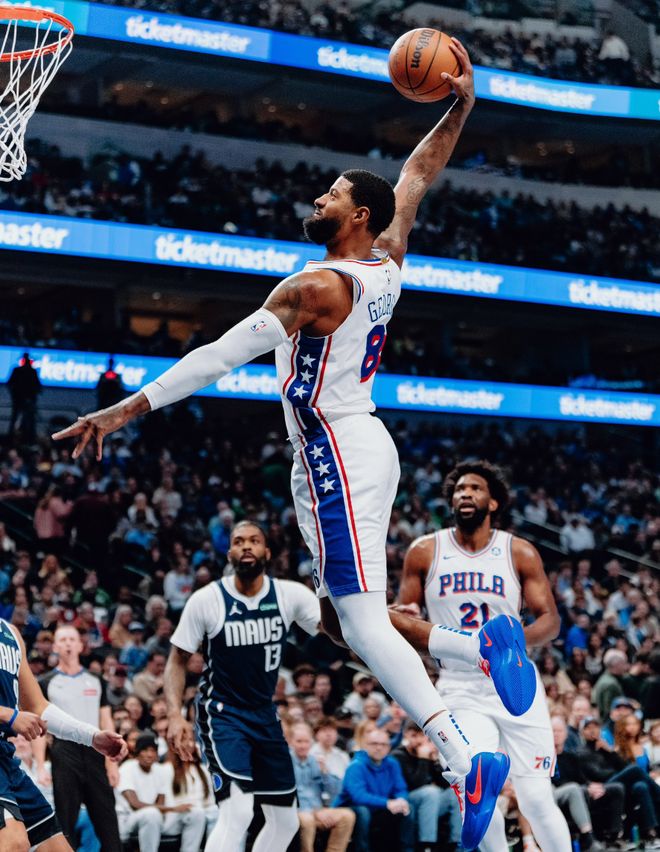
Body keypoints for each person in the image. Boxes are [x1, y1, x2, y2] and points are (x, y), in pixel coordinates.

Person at [52, 44, 530, 848]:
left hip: (334, 451)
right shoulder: (388, 257)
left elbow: (218, 356)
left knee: (361, 622)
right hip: (360, 442)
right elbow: (416, 175)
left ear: (359, 216)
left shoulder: (314, 288)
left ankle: (462, 751)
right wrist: (460, 107)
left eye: (333, 193)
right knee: (343, 621)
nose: (319, 197)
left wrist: (125, 410)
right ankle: (473, 647)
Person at [395, 460, 571, 851]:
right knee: (476, 787)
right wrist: (402, 614)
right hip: (459, 685)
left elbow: (550, 621)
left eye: (475, 488)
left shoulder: (518, 551)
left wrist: (513, 643)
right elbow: (405, 619)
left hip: (514, 679)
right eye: (459, 489)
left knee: (536, 796)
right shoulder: (424, 551)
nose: (465, 493)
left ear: (493, 503)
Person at [166, 521, 320, 852]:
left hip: (264, 713)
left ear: (268, 552)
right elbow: (177, 661)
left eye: (254, 540)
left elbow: (333, 629)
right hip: (223, 713)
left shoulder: (289, 594)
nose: (246, 546)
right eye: (238, 541)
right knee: (237, 812)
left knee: (286, 821)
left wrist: (377, 617)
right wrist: (175, 715)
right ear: (229, 553)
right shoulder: (207, 599)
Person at [0, 614, 126, 851]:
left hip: (6, 758)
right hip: (58, 755)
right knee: (14, 842)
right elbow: (20, 715)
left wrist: (91, 736)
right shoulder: (51, 678)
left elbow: (38, 706)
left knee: (59, 848)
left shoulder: (11, 634)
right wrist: (7, 714)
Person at [35, 625, 122, 851]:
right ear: (55, 646)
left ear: (81, 645)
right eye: (62, 640)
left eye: (72, 639)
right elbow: (39, 725)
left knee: (107, 818)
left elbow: (106, 720)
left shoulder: (96, 679)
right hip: (64, 752)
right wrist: (40, 766)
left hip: (96, 749)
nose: (68, 644)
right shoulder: (46, 682)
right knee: (66, 819)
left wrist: (112, 763)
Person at [116, 732, 206, 852]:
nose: (149, 754)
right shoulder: (127, 768)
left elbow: (161, 803)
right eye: (145, 750)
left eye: (153, 750)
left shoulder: (160, 770)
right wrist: (173, 809)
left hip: (156, 819)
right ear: (137, 752)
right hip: (129, 820)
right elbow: (135, 804)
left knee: (196, 813)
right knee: (151, 814)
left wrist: (170, 811)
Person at [335, 726, 410, 852]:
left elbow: (400, 788)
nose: (379, 747)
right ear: (365, 745)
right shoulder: (355, 766)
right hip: (353, 808)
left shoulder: (392, 763)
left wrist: (401, 800)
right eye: (374, 743)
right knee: (363, 811)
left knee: (406, 808)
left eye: (383, 744)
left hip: (379, 808)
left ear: (389, 747)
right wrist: (388, 803)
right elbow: (358, 796)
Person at [391, 720, 462, 852]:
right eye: (414, 736)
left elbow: (445, 784)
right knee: (431, 792)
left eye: (421, 736)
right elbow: (415, 784)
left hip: (429, 803)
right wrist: (423, 759)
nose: (418, 740)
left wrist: (434, 760)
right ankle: (427, 845)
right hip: (408, 800)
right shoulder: (398, 755)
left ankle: (456, 843)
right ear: (406, 735)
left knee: (454, 792)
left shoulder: (426, 753)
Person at [289, 721, 355, 852]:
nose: (303, 745)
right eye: (299, 741)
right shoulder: (286, 762)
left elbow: (334, 791)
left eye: (306, 741)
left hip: (318, 810)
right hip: (297, 811)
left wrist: (325, 772)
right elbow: (292, 794)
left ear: (311, 742)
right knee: (307, 820)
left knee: (347, 816)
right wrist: (315, 811)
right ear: (291, 742)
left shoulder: (315, 760)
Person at [550, 716, 611, 850]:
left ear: (566, 734)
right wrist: (585, 787)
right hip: (554, 793)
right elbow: (556, 781)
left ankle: (611, 836)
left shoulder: (571, 756)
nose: (556, 734)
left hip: (575, 789)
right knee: (576, 789)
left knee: (610, 789)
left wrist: (590, 786)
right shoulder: (546, 757)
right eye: (553, 731)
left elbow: (581, 778)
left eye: (559, 731)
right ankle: (588, 838)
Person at [8, 352, 41, 442]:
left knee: (29, 419)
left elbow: (37, 386)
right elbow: (10, 383)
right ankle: (12, 438)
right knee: (16, 418)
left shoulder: (32, 371)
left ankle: (29, 438)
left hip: (28, 400)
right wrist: (14, 394)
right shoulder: (18, 370)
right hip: (19, 399)